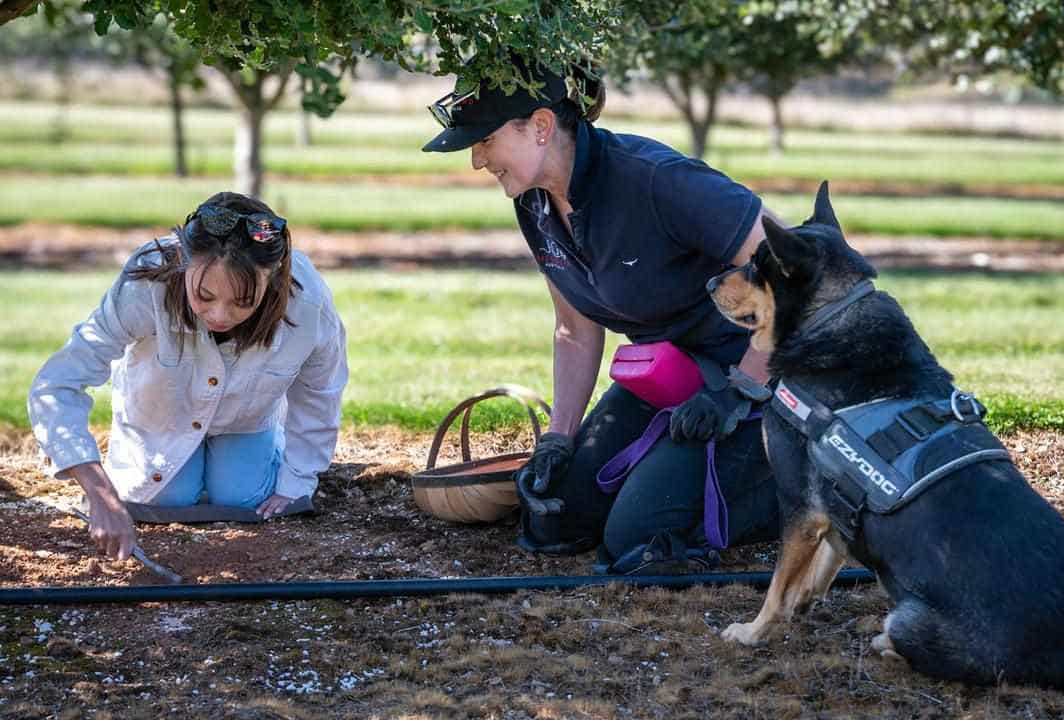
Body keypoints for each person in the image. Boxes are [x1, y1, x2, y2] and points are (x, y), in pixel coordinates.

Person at [422, 61, 779, 573]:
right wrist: (558, 438)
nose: (478, 159)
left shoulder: (655, 179)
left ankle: (805, 484)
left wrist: (741, 388)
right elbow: (573, 327)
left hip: (758, 378)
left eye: (485, 140)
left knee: (636, 539)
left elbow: (791, 272)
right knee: (552, 519)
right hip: (668, 376)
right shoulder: (534, 202)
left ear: (541, 127)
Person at [28, 192, 348, 563]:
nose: (220, 315)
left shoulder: (309, 303)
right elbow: (57, 385)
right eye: (204, 295)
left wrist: (298, 481)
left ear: (273, 279)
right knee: (168, 497)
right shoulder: (143, 284)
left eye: (243, 301)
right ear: (183, 260)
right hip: (159, 417)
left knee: (242, 497)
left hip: (244, 422)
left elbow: (320, 391)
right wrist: (100, 495)